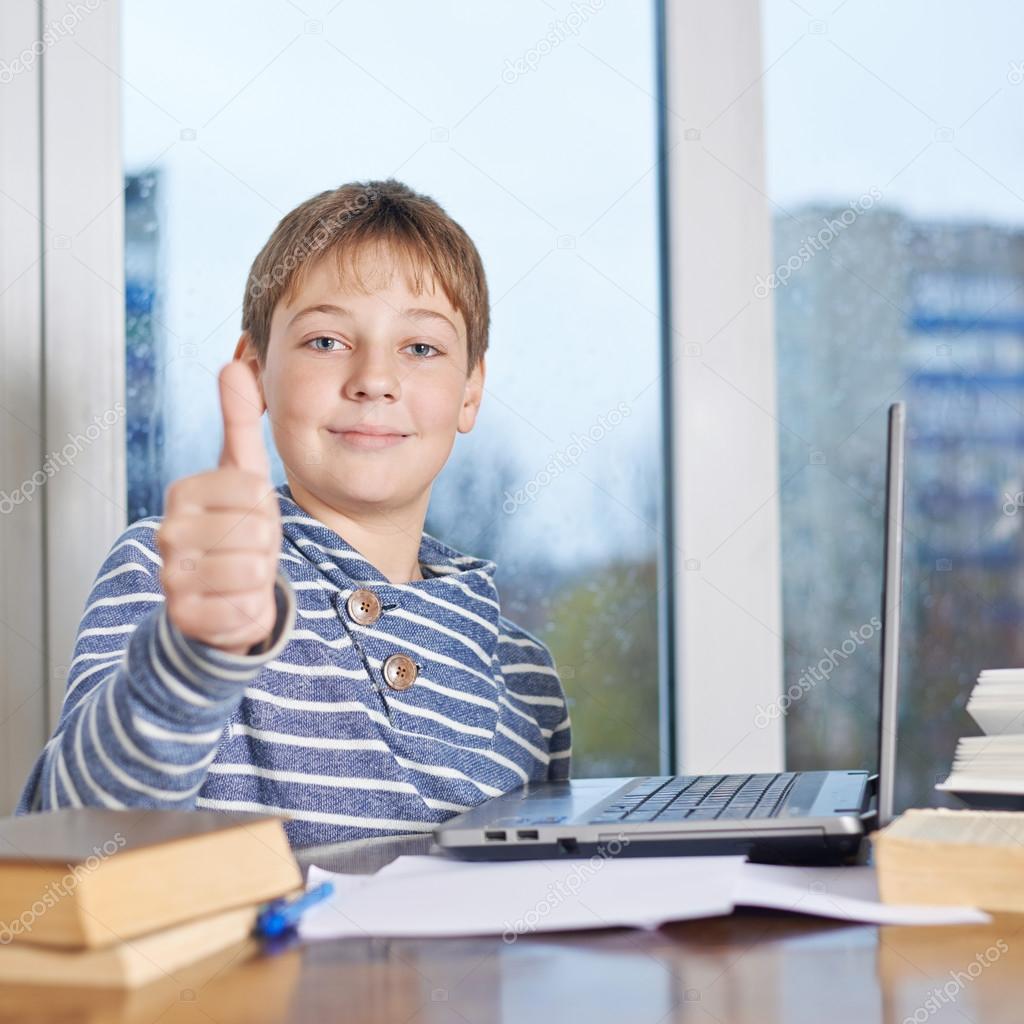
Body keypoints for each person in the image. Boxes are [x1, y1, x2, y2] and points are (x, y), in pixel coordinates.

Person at [16, 179, 572, 848]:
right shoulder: (184, 580)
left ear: (470, 392)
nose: (374, 377)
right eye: (327, 341)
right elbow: (69, 837)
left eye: (420, 348)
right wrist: (195, 656)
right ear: (255, 372)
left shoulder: (525, 678)